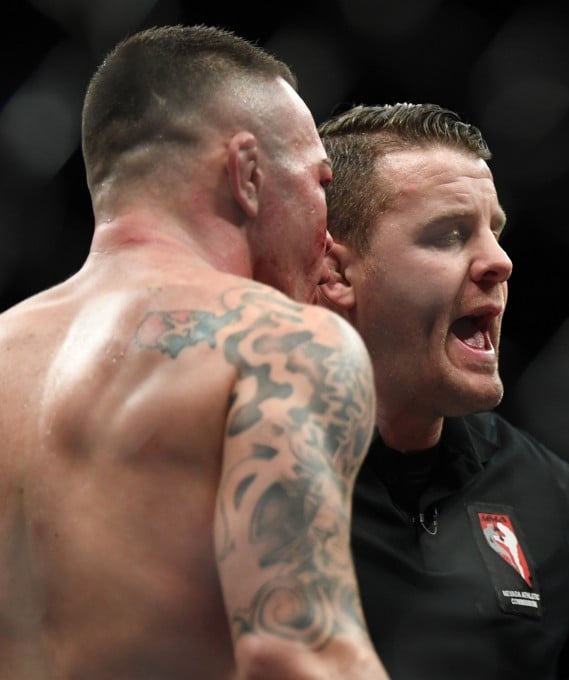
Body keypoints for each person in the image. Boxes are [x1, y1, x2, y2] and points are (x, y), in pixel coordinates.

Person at [0, 25, 389, 680]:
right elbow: (296, 652)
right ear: (248, 172)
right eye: (323, 183)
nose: (333, 236)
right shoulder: (281, 345)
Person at [316, 102, 569, 679]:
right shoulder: (250, 462)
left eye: (495, 232)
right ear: (338, 274)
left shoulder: (523, 477)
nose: (499, 262)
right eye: (448, 235)